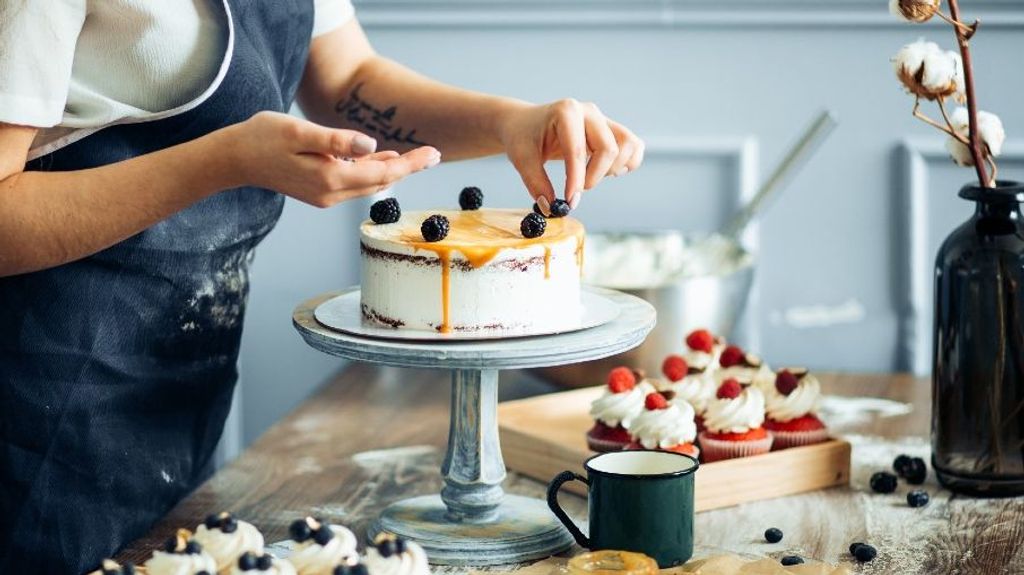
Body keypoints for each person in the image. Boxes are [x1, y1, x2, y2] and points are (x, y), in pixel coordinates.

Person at [0, 1, 644, 572]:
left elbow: (348, 83)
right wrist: (226, 159)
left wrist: (512, 122)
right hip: (38, 384)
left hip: (177, 380)